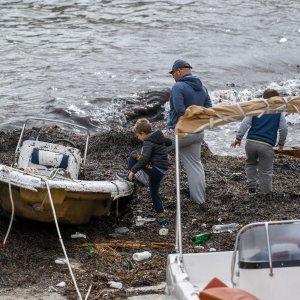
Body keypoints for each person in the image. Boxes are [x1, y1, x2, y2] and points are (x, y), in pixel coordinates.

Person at [166, 59, 212, 205]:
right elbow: (209, 109)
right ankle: (200, 200)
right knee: (195, 165)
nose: (173, 76)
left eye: (173, 73)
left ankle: (138, 177)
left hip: (180, 132)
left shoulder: (178, 87)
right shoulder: (203, 87)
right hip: (197, 132)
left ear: (179, 71)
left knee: (152, 145)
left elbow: (180, 110)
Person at [230, 89, 288, 194]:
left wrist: (238, 139)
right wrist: (281, 144)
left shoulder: (256, 108)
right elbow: (283, 129)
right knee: (266, 170)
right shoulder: (279, 112)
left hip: (250, 143)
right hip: (266, 145)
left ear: (263, 98)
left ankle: (251, 189)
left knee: (250, 164)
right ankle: (265, 193)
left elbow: (245, 124)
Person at [117, 118, 171, 224]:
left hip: (155, 169)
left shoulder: (148, 142)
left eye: (138, 135)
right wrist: (165, 138)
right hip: (161, 171)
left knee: (134, 154)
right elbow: (169, 142)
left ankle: (135, 177)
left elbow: (145, 158)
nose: (138, 138)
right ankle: (161, 215)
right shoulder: (158, 137)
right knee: (154, 191)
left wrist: (133, 171)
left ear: (142, 133)